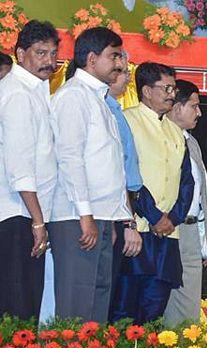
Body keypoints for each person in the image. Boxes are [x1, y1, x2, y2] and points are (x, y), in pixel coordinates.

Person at [49, 27, 130, 323]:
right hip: (77, 216)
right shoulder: (73, 97)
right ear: (92, 59)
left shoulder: (99, 99)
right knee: (77, 305)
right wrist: (86, 216)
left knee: (97, 303)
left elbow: (108, 165)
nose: (120, 64)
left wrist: (113, 219)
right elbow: (70, 160)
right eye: (114, 56)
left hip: (101, 216)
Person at [111, 62, 194, 324]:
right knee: (124, 313)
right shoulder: (127, 120)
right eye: (166, 88)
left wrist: (173, 218)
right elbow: (127, 175)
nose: (172, 93)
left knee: (153, 314)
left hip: (168, 236)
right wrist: (156, 216)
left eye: (174, 88)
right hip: (139, 230)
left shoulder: (175, 131)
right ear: (147, 91)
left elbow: (187, 181)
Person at [0, 20, 58, 319]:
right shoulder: (19, 94)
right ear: (20, 54)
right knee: (17, 310)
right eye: (40, 53)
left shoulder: (36, 90)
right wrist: (38, 222)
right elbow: (19, 166)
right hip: (17, 215)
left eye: (52, 53)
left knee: (25, 309)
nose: (49, 61)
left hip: (27, 214)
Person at [163, 80, 207, 326]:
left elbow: (202, 195)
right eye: (194, 106)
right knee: (168, 304)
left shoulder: (190, 141)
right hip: (168, 228)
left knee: (189, 308)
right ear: (176, 107)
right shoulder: (161, 137)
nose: (199, 112)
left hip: (191, 230)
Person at [104, 60, 145, 317]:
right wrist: (128, 223)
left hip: (122, 207)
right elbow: (114, 172)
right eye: (122, 72)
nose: (127, 79)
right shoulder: (105, 111)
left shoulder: (116, 109)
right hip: (114, 211)